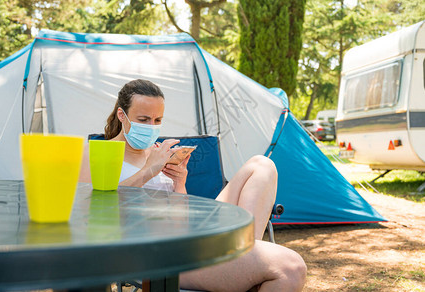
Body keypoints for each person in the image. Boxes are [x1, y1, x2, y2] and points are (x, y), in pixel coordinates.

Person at [79, 79, 307, 292]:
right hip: (150, 253)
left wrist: (179, 182)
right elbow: (91, 214)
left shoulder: (159, 152)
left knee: (262, 165)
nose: (151, 126)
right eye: (143, 120)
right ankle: (246, 262)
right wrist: (149, 170)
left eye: (157, 120)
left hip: (186, 236)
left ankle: (246, 251)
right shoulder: (94, 153)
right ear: (122, 114)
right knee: (290, 267)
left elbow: (180, 218)